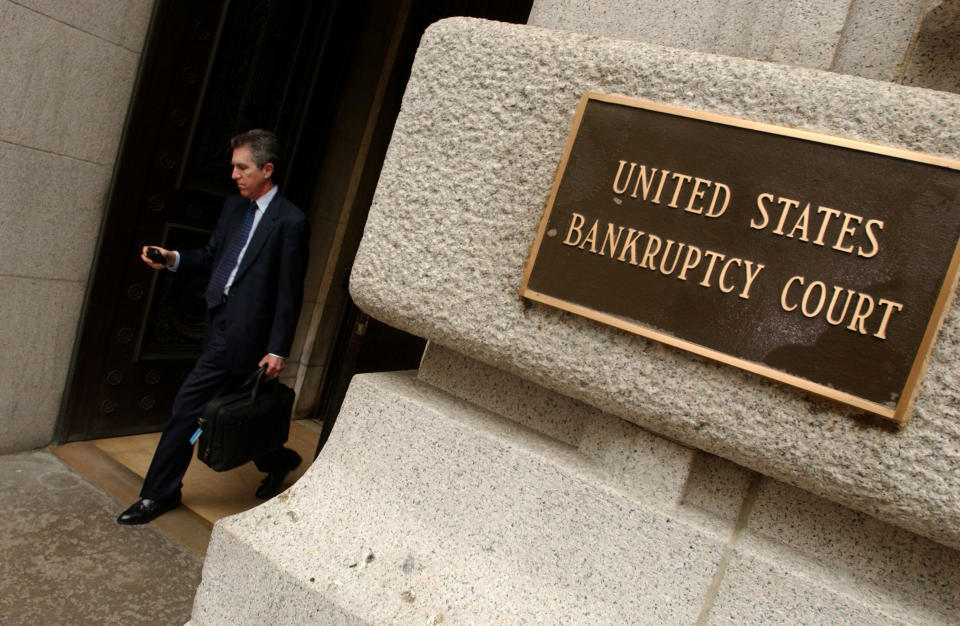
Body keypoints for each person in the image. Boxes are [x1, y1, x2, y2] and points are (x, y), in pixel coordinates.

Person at [117, 129, 310, 525]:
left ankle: (158, 494)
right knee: (237, 413)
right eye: (233, 167)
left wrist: (278, 349)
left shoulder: (291, 221)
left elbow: (290, 292)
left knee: (189, 411)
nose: (234, 174)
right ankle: (280, 459)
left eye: (242, 167)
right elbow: (211, 257)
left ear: (267, 169)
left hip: (252, 341)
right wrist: (172, 258)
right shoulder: (232, 210)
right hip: (218, 328)